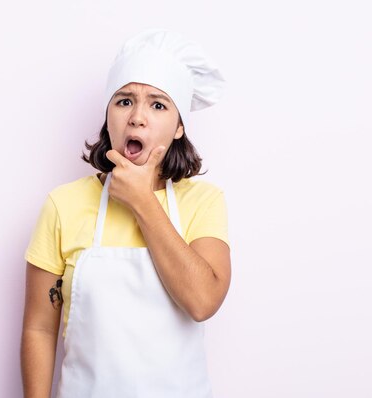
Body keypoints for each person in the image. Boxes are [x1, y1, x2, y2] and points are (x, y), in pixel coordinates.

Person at [21, 28, 231, 398]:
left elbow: (202, 302)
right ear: (108, 116)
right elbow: (39, 327)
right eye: (123, 101)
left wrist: (142, 201)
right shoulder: (63, 204)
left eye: (158, 104)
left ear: (179, 127)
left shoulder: (203, 202)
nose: (137, 118)